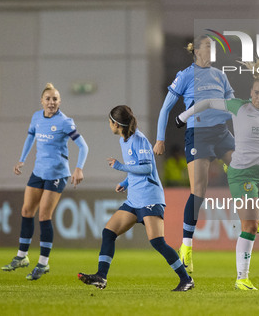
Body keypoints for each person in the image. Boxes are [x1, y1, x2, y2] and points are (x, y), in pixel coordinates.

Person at [176, 60, 259, 290]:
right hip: (242, 174)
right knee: (250, 227)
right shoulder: (238, 106)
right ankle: (242, 278)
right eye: (256, 93)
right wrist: (184, 116)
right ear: (250, 92)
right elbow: (207, 102)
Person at [154, 36, 259, 274]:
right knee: (198, 190)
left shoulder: (220, 75)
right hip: (198, 135)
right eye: (209, 46)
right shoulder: (185, 75)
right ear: (197, 50)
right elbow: (166, 107)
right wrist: (160, 138)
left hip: (222, 133)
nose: (213, 50)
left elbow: (231, 105)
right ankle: (186, 247)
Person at [78, 105, 194, 291]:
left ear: (116, 123)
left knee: (157, 242)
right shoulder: (124, 140)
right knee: (108, 232)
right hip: (134, 199)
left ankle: (186, 279)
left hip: (149, 198)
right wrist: (126, 182)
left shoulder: (139, 140)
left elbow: (147, 168)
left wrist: (120, 167)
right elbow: (136, 167)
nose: (109, 125)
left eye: (110, 122)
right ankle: (101, 276)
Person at [2, 83, 89, 280]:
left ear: (59, 102)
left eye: (55, 99)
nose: (51, 102)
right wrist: (22, 160)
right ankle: (22, 257)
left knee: (44, 215)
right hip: (38, 172)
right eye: (48, 99)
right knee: (26, 211)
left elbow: (84, 147)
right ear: (42, 101)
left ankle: (43, 263)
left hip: (57, 174)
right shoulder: (36, 117)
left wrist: (78, 168)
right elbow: (30, 137)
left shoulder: (65, 122)